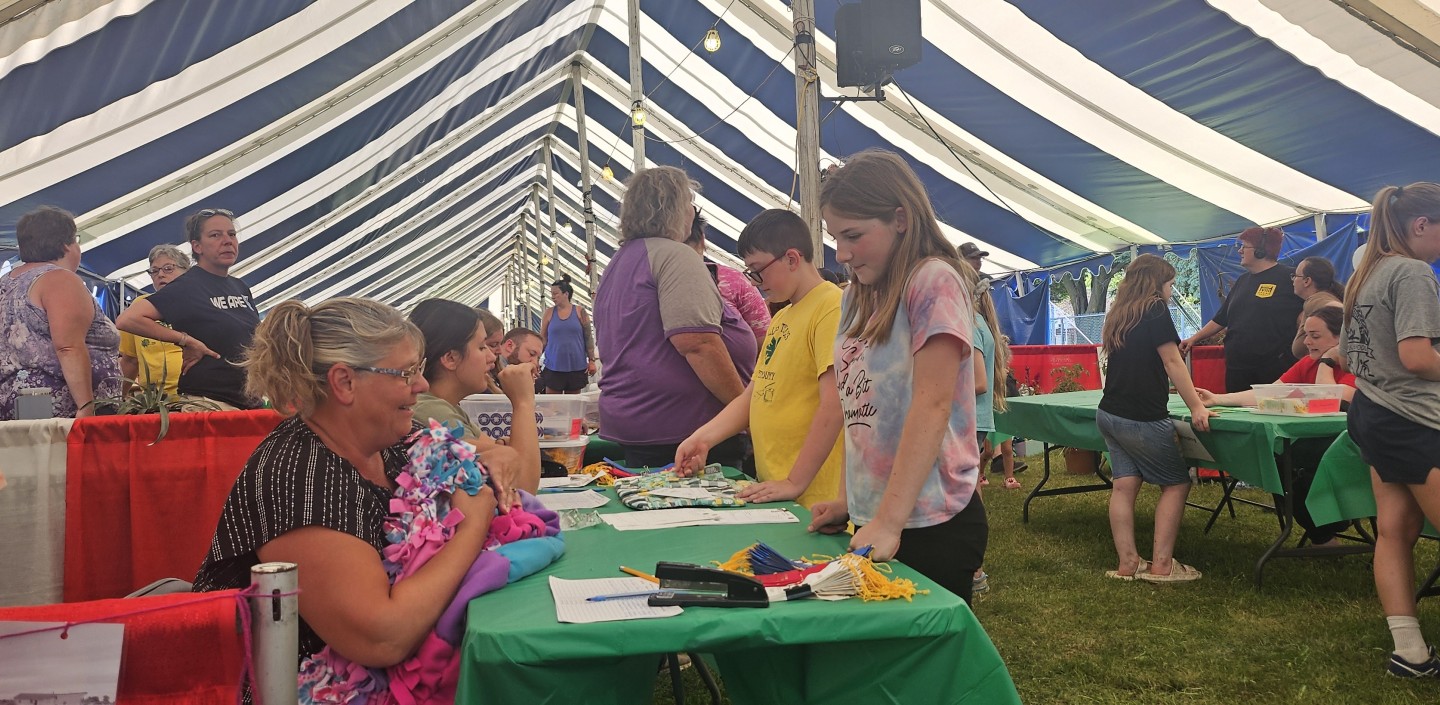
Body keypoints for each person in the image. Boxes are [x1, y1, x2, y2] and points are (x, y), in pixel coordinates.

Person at [193, 297, 498, 668]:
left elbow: (488, 478)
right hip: (290, 688)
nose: (421, 384)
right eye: (406, 373)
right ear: (344, 382)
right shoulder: (297, 480)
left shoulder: (396, 439)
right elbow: (382, 638)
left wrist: (499, 463)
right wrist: (472, 526)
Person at [804, 149, 987, 604]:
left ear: (901, 219)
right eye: (835, 238)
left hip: (930, 520)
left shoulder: (934, 280)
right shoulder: (856, 296)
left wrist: (889, 521)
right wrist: (849, 501)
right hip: (877, 517)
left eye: (853, 236)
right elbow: (858, 408)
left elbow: (932, 403)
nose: (842, 253)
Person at [675, 209, 843, 509]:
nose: (754, 282)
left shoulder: (831, 307)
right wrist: (703, 438)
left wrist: (795, 481)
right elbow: (753, 396)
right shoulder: (782, 318)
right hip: (778, 487)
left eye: (757, 270)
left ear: (791, 259)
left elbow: (834, 405)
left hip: (814, 495)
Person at [1339, 182, 1440, 677]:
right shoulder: (1413, 271)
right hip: (1414, 420)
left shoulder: (1366, 272)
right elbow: (1417, 357)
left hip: (1373, 412)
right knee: (1397, 531)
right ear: (1421, 225)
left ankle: (1410, 653)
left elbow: (1347, 354)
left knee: (1394, 531)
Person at [594, 166, 757, 469]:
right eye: (689, 203)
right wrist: (744, 413)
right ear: (675, 209)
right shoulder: (674, 255)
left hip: (645, 425)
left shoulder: (619, 262)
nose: (692, 213)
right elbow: (699, 344)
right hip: (687, 433)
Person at [1096, 254, 1214, 583]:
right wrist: (1197, 407)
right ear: (1155, 282)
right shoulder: (1155, 308)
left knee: (1124, 486)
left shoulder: (1120, 311)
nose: (1172, 291)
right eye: (1170, 284)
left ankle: (1128, 564)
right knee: (1176, 483)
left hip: (1109, 412)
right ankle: (1162, 566)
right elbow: (1172, 362)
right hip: (1141, 416)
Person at [1197, 307, 1355, 546]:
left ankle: (1330, 526)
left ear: (1339, 338)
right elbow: (1270, 393)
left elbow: (1331, 396)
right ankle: (1323, 531)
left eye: (1315, 336)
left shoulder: (1354, 367)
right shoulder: (1306, 363)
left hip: (1348, 448)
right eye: (1306, 334)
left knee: (1289, 461)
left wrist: (1326, 362)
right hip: (1310, 444)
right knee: (1277, 458)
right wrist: (1218, 399)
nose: (1307, 342)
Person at [116, 207, 260, 409]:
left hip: (248, 401)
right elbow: (128, 319)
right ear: (197, 246)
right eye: (215, 235)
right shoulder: (187, 285)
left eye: (232, 234)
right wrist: (185, 340)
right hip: (210, 403)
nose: (227, 241)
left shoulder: (240, 286)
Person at [408, 298, 539, 501]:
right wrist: (523, 402)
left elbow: (510, 459)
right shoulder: (432, 413)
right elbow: (523, 486)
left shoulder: (447, 407)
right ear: (451, 358)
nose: (492, 357)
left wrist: (503, 450)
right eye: (482, 347)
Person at [0, 206, 120, 419]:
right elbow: (68, 347)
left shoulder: (7, 283)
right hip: (62, 412)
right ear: (66, 244)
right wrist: (86, 407)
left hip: (13, 407)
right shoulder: (60, 280)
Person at [1181, 226, 1304, 393]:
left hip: (1273, 368)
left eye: (1244, 246)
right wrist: (1194, 339)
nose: (1239, 251)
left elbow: (1311, 308)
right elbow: (1221, 318)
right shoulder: (1242, 281)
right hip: (1237, 368)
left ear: (1260, 251)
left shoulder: (1289, 278)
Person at [686, 206, 771, 346]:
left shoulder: (734, 282)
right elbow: (766, 342)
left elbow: (766, 341)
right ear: (702, 240)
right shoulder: (733, 282)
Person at [119, 244, 190, 394]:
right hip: (152, 400)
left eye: (168, 268)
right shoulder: (138, 308)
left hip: (193, 396)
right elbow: (130, 360)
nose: (160, 274)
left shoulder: (199, 303)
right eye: (154, 270)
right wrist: (118, 400)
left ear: (186, 273)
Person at [538, 274, 595, 395]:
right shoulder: (548, 313)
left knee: (573, 403)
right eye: (551, 293)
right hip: (553, 366)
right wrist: (535, 359)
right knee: (552, 403)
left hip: (576, 366)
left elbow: (588, 337)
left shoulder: (580, 312)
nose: (552, 296)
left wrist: (592, 360)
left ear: (566, 294)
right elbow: (543, 339)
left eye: (556, 293)